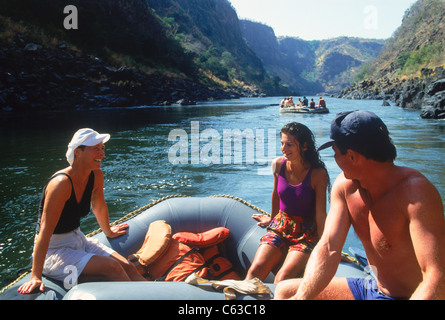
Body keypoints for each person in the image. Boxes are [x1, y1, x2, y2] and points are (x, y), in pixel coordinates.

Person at [275, 111, 445, 300]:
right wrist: (302, 298)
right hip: (373, 287)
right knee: (284, 291)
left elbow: (436, 276)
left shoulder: (415, 194)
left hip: (409, 295)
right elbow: (329, 246)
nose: (335, 160)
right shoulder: (345, 187)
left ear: (352, 156)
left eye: (335, 153)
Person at [18, 128, 145, 294]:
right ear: (78, 152)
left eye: (103, 148)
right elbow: (45, 231)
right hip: (54, 251)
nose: (102, 154)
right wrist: (35, 275)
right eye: (96, 148)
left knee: (129, 267)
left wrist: (109, 231)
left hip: (78, 240)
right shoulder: (61, 184)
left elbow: (98, 206)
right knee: (113, 268)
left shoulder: (96, 175)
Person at [245, 122, 329, 283]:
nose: (283, 148)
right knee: (255, 270)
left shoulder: (318, 174)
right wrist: (271, 219)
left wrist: (324, 243)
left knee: (283, 278)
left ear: (304, 146)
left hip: (306, 233)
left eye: (289, 144)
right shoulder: (278, 164)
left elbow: (320, 214)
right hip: (281, 225)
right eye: (282, 143)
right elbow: (276, 195)